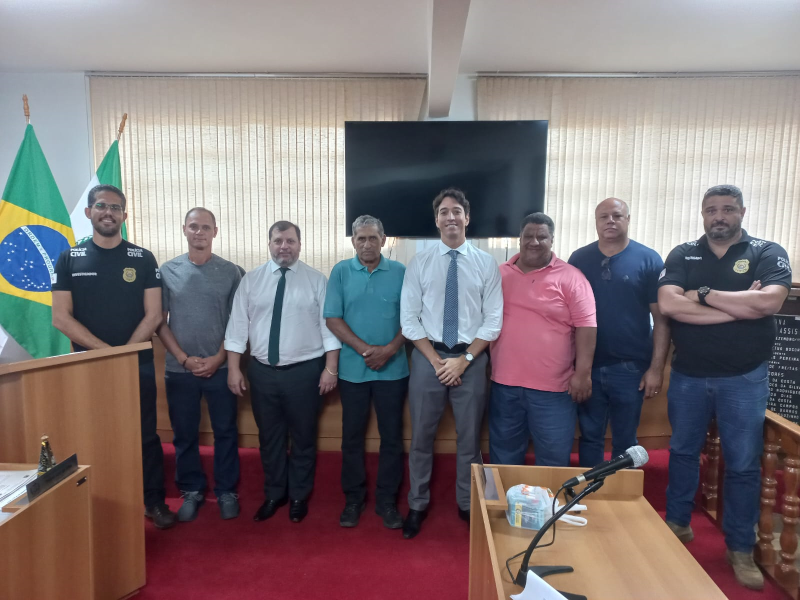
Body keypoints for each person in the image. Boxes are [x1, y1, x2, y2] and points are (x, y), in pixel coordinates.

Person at [658, 184, 792, 590]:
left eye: (728, 209)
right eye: (712, 210)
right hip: (688, 376)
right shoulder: (683, 253)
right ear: (702, 214)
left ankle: (738, 547)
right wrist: (737, 310)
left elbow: (768, 304)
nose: (720, 216)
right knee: (681, 452)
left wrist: (701, 295)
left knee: (744, 465)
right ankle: (677, 526)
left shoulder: (767, 252)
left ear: (742, 212)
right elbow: (668, 305)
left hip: (744, 378)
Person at [51, 184, 175, 529]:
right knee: (92, 433)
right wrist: (107, 354)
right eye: (102, 206)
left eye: (116, 208)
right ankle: (99, 505)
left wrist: (126, 354)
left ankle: (153, 502)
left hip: (137, 365)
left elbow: (154, 315)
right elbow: (61, 317)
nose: (109, 212)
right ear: (89, 213)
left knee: (145, 435)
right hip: (88, 367)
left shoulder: (142, 258)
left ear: (124, 216)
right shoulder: (69, 258)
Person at [399, 188, 503, 539]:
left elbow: (493, 320)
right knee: (421, 439)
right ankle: (417, 505)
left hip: (470, 360)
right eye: (444, 212)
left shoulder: (486, 263)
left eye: (456, 211)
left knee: (470, 441)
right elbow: (409, 319)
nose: (450, 217)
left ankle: (468, 504)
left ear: (467, 218)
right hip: (428, 357)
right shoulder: (421, 262)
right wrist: (436, 360)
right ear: (437, 220)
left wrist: (464, 360)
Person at [224, 221, 341, 524]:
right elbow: (237, 329)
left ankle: (299, 496)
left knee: (303, 437)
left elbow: (329, 329)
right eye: (278, 241)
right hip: (262, 372)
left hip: (305, 372)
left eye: (290, 241)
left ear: (299, 245)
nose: (284, 247)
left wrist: (331, 368)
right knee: (270, 438)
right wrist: (234, 369)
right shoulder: (251, 280)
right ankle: (275, 493)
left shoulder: (317, 281)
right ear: (269, 244)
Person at [489, 212, 596, 468]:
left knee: (553, 464)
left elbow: (587, 327)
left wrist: (583, 373)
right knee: (503, 459)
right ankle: (503, 509)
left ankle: (550, 510)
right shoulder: (497, 274)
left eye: (542, 236)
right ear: (519, 238)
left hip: (554, 391)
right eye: (528, 236)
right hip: (505, 386)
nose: (534, 242)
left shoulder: (572, 277)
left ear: (552, 240)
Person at [569, 198, 670, 467]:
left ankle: (621, 501)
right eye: (603, 217)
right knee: (589, 437)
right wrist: (577, 368)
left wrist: (656, 369)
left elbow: (661, 319)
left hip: (630, 369)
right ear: (596, 222)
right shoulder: (579, 259)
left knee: (626, 442)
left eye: (617, 216)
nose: (610, 221)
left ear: (628, 219)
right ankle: (589, 499)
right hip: (587, 367)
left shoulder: (648, 259)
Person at [157, 207, 242, 521]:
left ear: (215, 232)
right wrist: (182, 358)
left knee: (225, 432)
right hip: (180, 370)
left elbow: (238, 322)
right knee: (184, 434)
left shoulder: (232, 272)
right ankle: (191, 490)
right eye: (193, 226)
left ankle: (226, 491)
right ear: (184, 229)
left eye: (205, 227)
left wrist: (220, 357)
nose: (199, 232)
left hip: (220, 369)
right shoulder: (167, 271)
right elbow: (158, 321)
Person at [324, 215, 408, 529]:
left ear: (384, 240)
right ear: (353, 241)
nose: (367, 244)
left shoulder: (400, 272)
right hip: (351, 372)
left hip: (393, 370)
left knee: (392, 440)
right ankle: (353, 500)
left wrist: (388, 350)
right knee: (352, 438)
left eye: (373, 238)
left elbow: (412, 320)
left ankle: (387, 502)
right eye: (361, 238)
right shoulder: (341, 272)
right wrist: (364, 349)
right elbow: (332, 318)